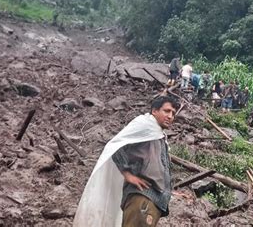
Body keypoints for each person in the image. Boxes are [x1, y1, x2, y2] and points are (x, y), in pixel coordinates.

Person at [74, 96, 180, 227]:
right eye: (167, 111)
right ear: (154, 111)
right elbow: (116, 147)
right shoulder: (144, 125)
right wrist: (128, 175)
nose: (170, 116)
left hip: (153, 200)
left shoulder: (157, 134)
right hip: (142, 197)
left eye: (173, 113)